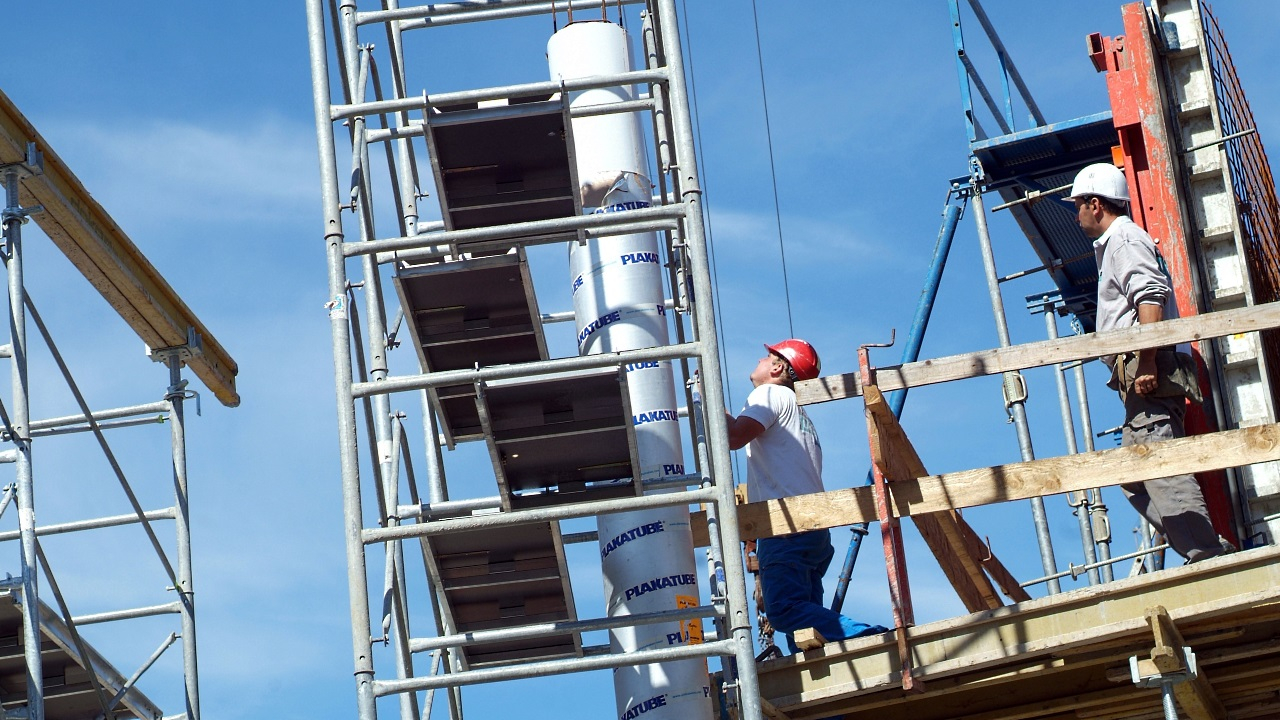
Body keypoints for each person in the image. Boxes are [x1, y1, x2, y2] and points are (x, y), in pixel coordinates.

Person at [1066, 162, 1228, 563]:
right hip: (1141, 376)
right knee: (1134, 474)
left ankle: (1207, 555)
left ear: (1095, 204)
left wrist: (1147, 364)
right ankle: (1204, 547)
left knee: (1159, 461)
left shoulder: (1124, 240)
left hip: (1148, 373)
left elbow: (1150, 298)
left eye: (1079, 206)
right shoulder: (1117, 242)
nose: (1076, 214)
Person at [725, 338, 887, 653]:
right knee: (807, 632)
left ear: (776, 366)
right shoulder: (798, 415)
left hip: (786, 526)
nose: (760, 359)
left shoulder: (770, 393)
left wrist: (705, 401)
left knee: (784, 610)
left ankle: (872, 636)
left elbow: (734, 437)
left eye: (766, 356)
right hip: (812, 529)